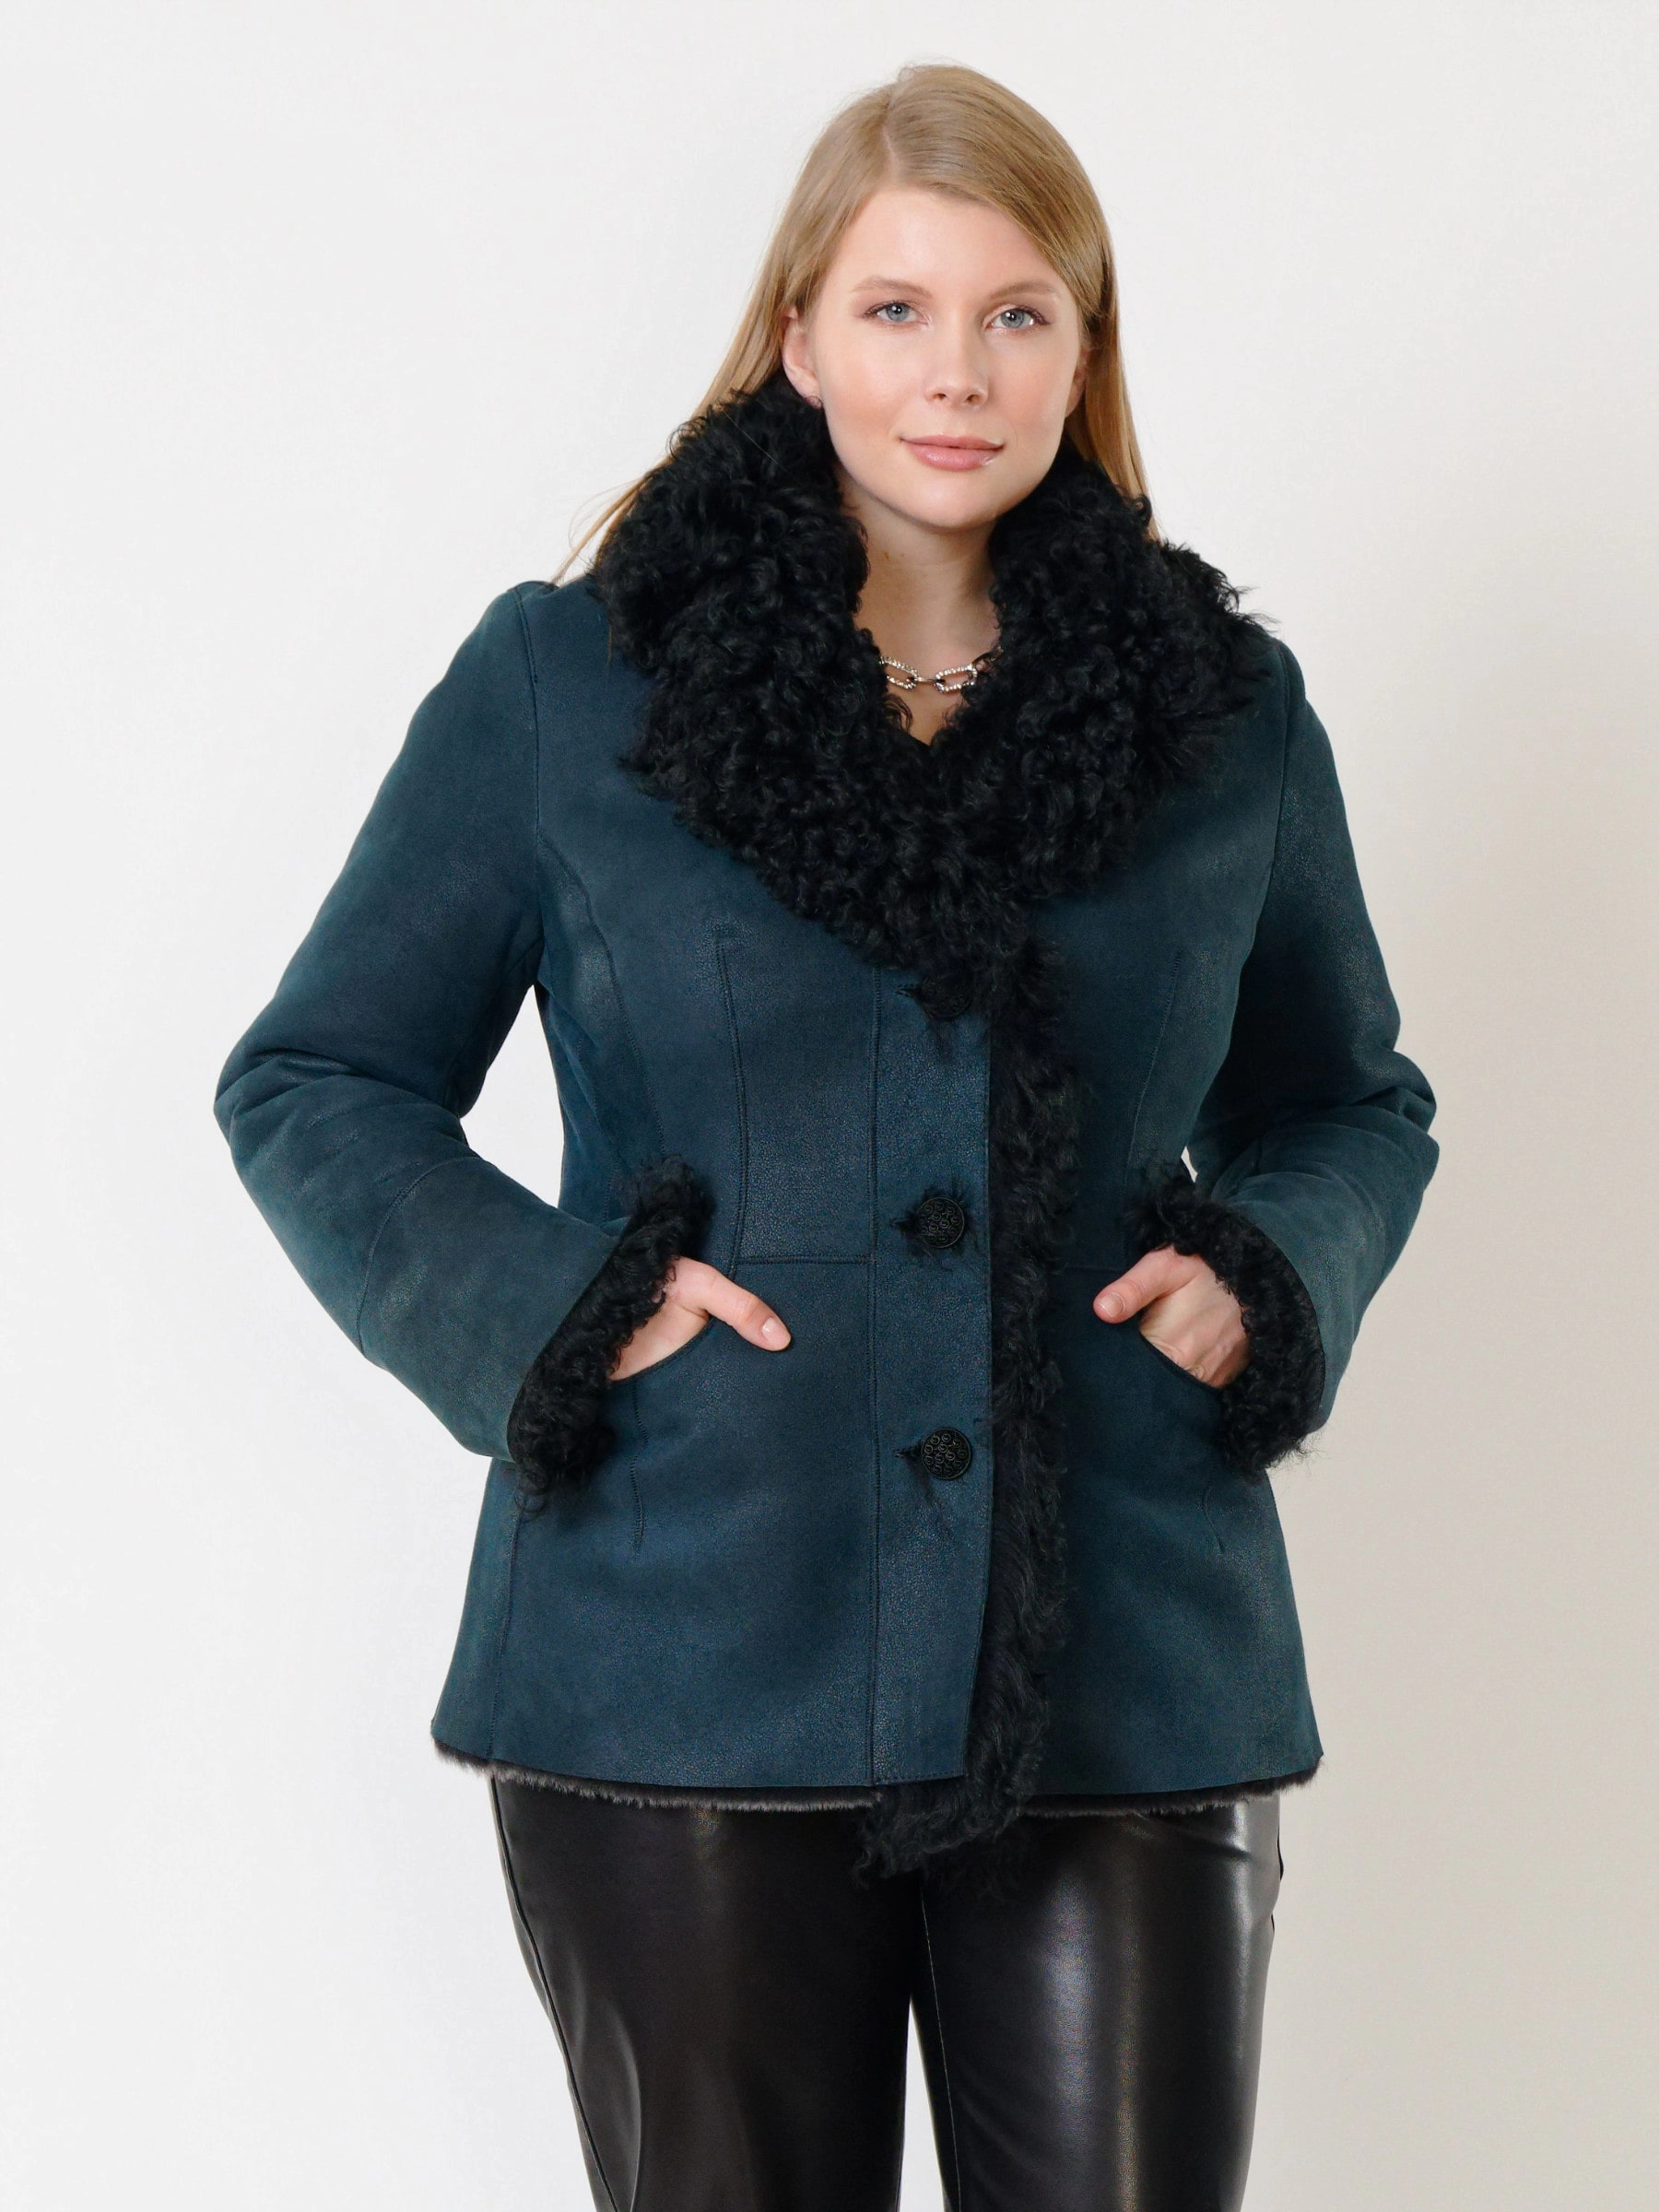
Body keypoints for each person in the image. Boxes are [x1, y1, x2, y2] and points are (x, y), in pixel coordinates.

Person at [215, 61, 1437, 2212]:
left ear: (1083, 348)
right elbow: (317, 1077)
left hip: (1123, 1659)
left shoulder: (1222, 713)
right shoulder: (573, 684)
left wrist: (1269, 1274)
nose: (956, 372)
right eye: (896, 310)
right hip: (686, 1644)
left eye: (1016, 314)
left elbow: (1348, 1100)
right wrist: (566, 1313)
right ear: (797, 335)